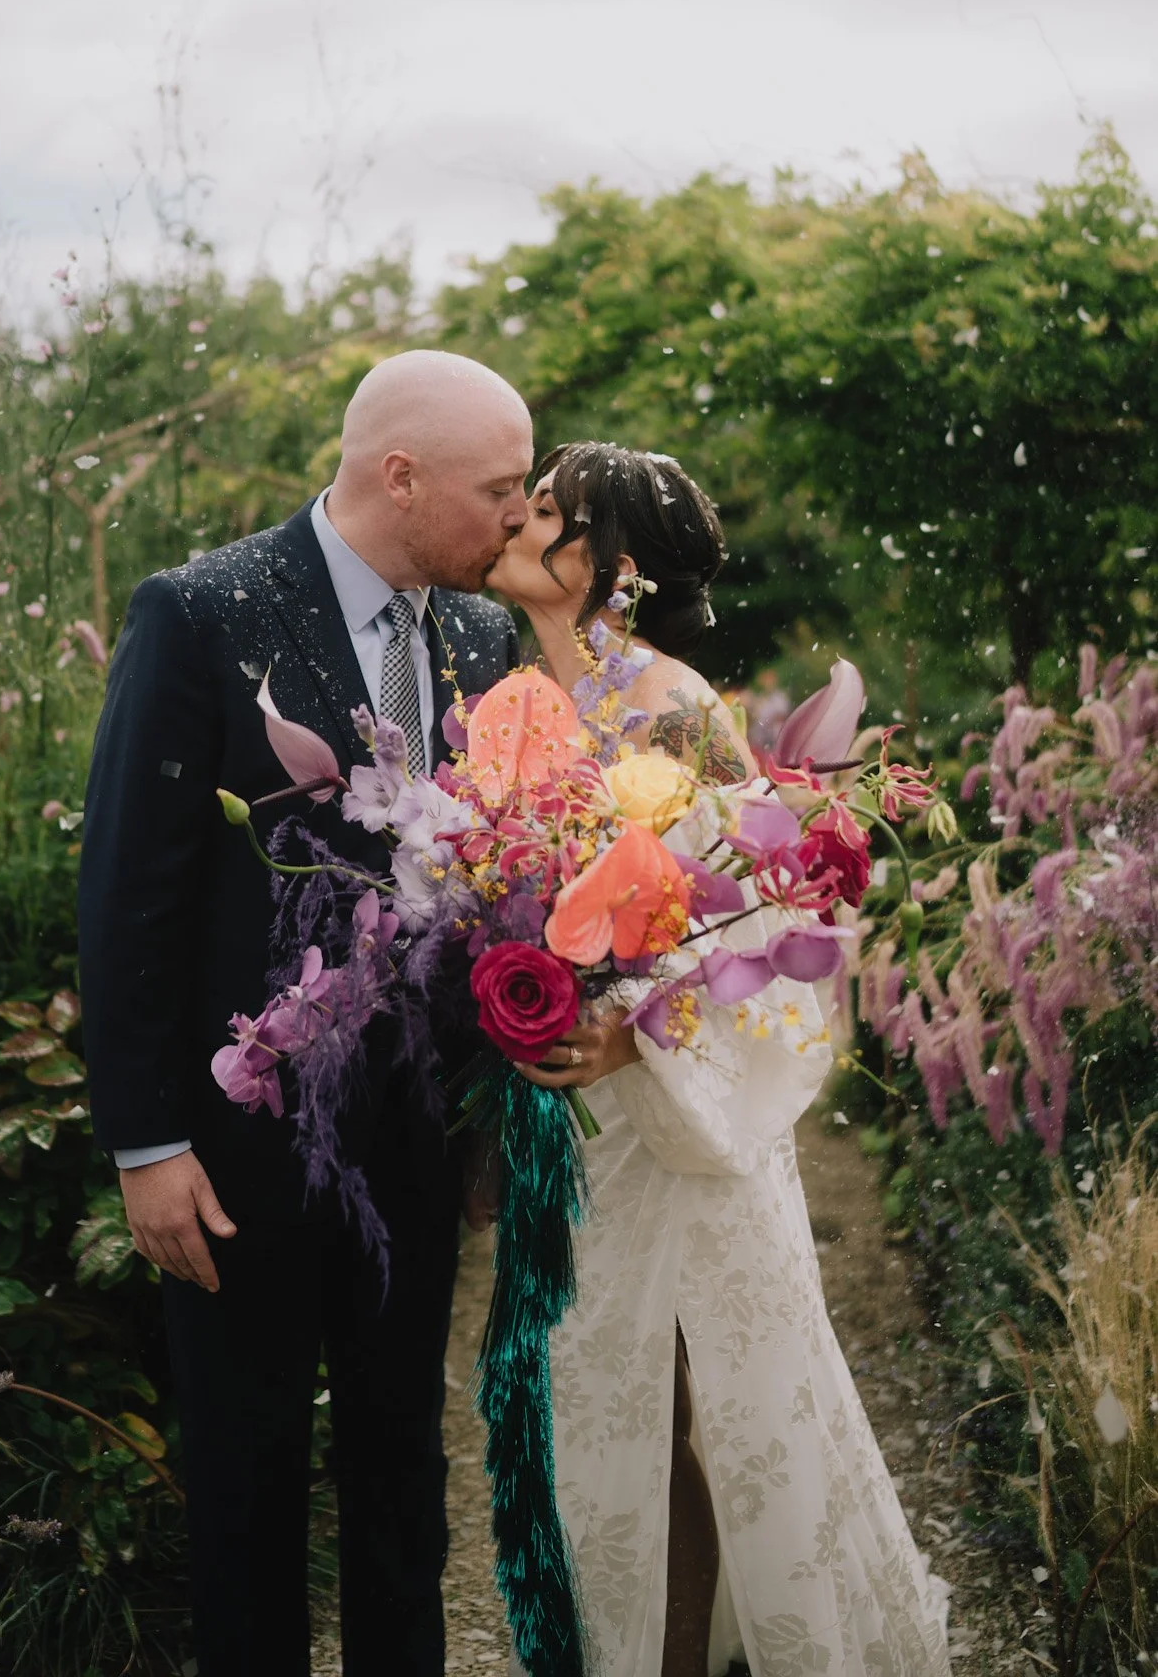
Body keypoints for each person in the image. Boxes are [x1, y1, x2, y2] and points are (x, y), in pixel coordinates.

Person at [78, 351, 532, 1677]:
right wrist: (146, 1144)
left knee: (403, 1464)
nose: (519, 513)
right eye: (497, 489)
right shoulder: (200, 613)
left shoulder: (482, 637)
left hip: (410, 1141)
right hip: (233, 1152)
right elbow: (127, 895)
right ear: (402, 476)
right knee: (248, 1473)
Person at [485, 441, 951, 1677]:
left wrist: (629, 1034)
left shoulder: (671, 706)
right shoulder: (517, 696)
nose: (517, 525)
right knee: (611, 1399)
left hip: (677, 1114)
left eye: (544, 512)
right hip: (581, 1124)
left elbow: (761, 925)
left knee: (703, 1407)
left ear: (612, 565)